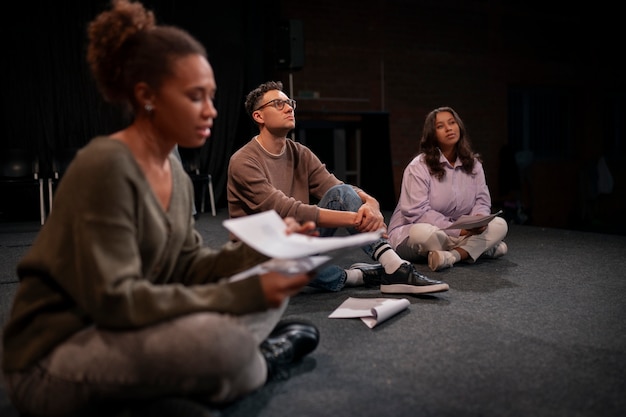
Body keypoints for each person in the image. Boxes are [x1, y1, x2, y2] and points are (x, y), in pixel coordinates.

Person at [1, 2, 320, 416]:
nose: (211, 111)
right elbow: (114, 302)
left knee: (272, 283)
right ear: (147, 96)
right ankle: (254, 361)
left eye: (211, 96)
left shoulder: (173, 168)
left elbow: (187, 263)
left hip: (128, 328)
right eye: (194, 97)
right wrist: (242, 294)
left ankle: (227, 367)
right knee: (227, 342)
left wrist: (264, 250)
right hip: (53, 356)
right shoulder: (106, 165)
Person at [227, 81, 449, 295]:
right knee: (289, 267)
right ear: (259, 116)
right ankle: (357, 276)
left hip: (295, 241)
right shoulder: (244, 161)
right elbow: (286, 210)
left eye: (290, 103)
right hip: (262, 255)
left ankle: (393, 267)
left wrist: (372, 204)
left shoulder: (300, 152)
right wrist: (357, 220)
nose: (288, 108)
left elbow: (338, 189)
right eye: (278, 104)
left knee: (341, 195)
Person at [387, 106, 509, 272]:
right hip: (418, 231)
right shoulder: (418, 167)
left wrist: (479, 219)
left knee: (499, 224)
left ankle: (452, 256)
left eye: (452, 123)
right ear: (432, 134)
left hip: (463, 232)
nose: (449, 128)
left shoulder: (474, 165)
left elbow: (482, 200)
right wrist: (460, 231)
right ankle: (481, 248)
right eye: (440, 126)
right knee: (423, 234)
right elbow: (417, 212)